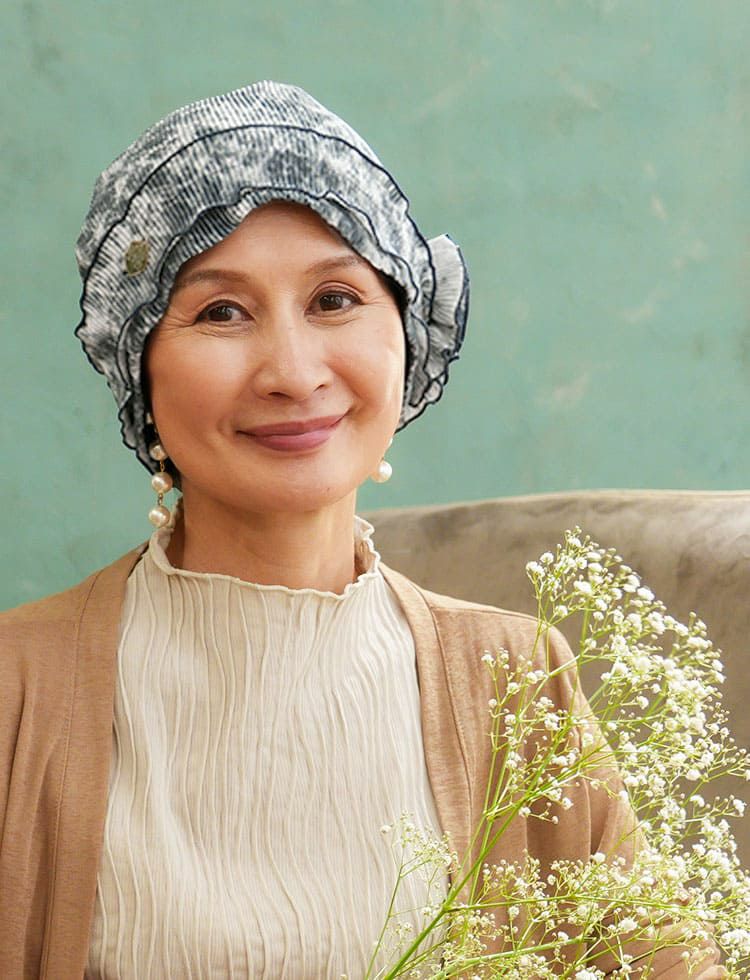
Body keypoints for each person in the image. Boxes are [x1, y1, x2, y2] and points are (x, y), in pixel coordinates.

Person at [0, 82, 723, 979]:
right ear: (137, 366)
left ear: (408, 333)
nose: (293, 372)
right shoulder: (16, 693)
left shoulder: (517, 682)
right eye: (221, 312)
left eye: (336, 299)